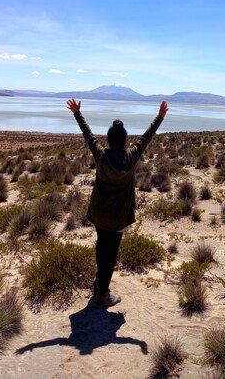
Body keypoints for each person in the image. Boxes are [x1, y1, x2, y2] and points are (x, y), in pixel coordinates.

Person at [66, 98, 168, 308]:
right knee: (110, 253)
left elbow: (88, 135)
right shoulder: (131, 157)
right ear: (124, 141)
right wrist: (159, 117)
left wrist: (77, 113)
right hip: (119, 217)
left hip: (100, 214)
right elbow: (146, 138)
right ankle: (103, 294)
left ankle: (99, 282)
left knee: (102, 246)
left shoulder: (101, 156)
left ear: (109, 140)